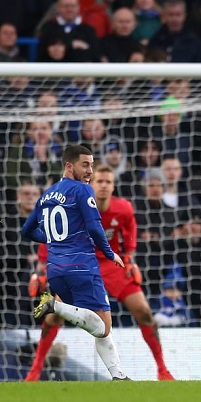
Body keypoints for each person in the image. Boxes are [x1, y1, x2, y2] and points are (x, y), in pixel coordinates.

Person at [25, 164, 175, 381]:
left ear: (113, 186)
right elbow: (52, 233)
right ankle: (35, 369)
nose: (104, 186)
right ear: (90, 185)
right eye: (99, 182)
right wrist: (41, 266)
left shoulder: (123, 208)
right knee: (53, 318)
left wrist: (129, 258)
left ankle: (162, 369)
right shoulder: (73, 205)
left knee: (143, 311)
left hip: (110, 264)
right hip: (79, 263)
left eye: (108, 182)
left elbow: (130, 233)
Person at [20, 145, 130, 381]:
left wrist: (50, 239)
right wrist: (110, 253)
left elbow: (26, 230)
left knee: (100, 323)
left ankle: (118, 375)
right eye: (85, 164)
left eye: (91, 164)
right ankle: (55, 306)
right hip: (82, 267)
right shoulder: (82, 190)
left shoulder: (47, 194)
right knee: (103, 327)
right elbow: (94, 227)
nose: (90, 170)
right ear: (69, 166)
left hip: (56, 272)